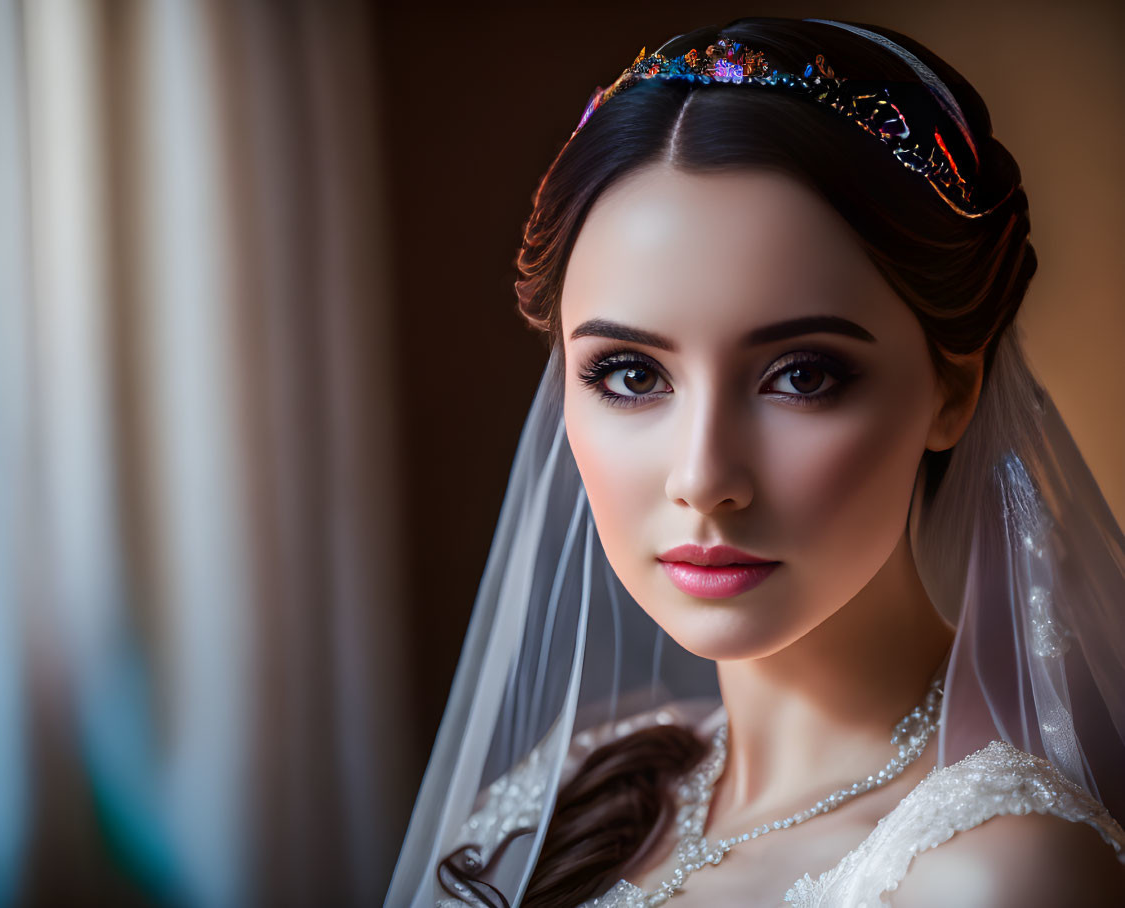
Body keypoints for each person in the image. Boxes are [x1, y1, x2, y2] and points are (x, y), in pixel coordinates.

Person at [387, 16, 1125, 907]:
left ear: (950, 391)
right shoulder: (574, 794)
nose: (702, 477)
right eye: (628, 373)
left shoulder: (991, 875)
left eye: (801, 376)